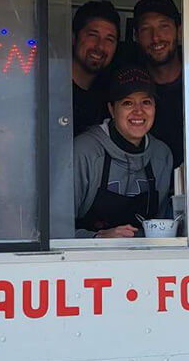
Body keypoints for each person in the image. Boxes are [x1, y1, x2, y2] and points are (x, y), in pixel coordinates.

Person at [73, 67, 173, 238]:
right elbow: (56, 231)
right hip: (87, 259)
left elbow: (160, 228)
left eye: (146, 102)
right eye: (128, 102)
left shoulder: (161, 155)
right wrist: (98, 238)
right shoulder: (84, 151)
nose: (138, 111)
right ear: (111, 109)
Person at [133, 0, 184, 168]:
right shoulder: (129, 88)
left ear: (180, 31)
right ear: (136, 37)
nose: (156, 37)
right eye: (146, 29)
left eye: (164, 26)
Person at [71, 0, 120, 136]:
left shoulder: (109, 95)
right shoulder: (48, 88)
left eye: (109, 39)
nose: (100, 46)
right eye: (93, 35)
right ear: (73, 38)